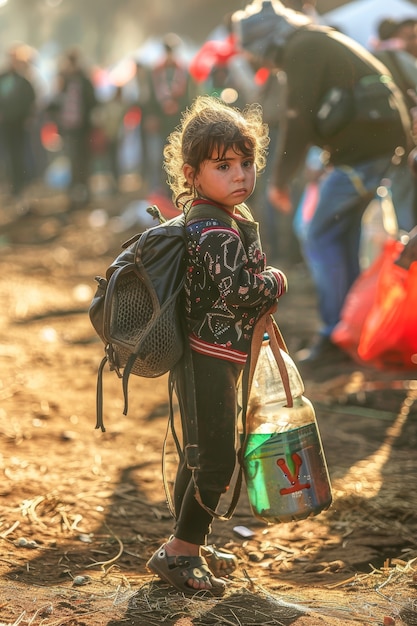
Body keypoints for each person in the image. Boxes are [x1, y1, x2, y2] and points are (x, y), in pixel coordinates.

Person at [146, 95, 287, 596]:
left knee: (200, 452)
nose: (240, 175)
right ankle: (181, 551)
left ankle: (189, 543)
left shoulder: (219, 215)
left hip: (212, 354)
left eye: (246, 163)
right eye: (223, 165)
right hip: (206, 357)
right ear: (192, 173)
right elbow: (242, 291)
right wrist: (276, 279)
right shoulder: (212, 227)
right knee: (217, 459)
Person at [232, 0, 414, 365]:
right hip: (378, 147)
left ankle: (334, 332)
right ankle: (348, 328)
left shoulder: (303, 48)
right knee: (337, 232)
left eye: (257, 53)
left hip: (365, 153)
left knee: (316, 233)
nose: (261, 62)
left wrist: (280, 181)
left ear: (266, 41)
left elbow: (298, 119)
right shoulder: (316, 39)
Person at [54, 48, 97, 208]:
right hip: (68, 128)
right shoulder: (63, 80)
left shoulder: (84, 81)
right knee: (72, 161)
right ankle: (73, 195)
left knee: (83, 161)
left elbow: (92, 102)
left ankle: (84, 193)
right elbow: (57, 103)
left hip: (83, 129)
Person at [0, 43, 36, 198]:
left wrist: (27, 116)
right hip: (6, 122)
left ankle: (20, 184)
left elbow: (31, 100)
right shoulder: (4, 78)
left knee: (19, 154)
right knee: (9, 154)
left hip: (19, 123)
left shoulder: (23, 80)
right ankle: (13, 183)